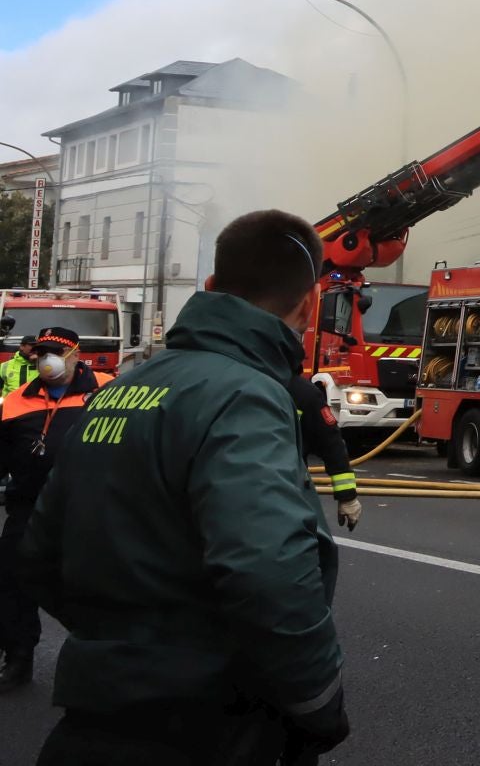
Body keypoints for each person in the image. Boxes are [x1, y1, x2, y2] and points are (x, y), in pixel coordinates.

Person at [19, 210, 350, 766]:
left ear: (213, 288)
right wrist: (318, 699)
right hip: (206, 724)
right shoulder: (246, 395)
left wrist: (122, 643)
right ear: (310, 303)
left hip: (95, 715)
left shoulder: (126, 386)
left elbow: (40, 551)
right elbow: (266, 570)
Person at [0, 328, 106, 694]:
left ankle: (97, 664)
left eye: (57, 352)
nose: (48, 360)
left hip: (89, 508)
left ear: (77, 355)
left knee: (93, 587)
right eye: (43, 352)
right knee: (13, 584)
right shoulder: (16, 401)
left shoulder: (106, 392)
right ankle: (18, 657)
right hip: (29, 507)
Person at [287, 375, 362, 531]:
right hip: (287, 492)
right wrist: (347, 497)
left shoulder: (230, 381)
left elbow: (330, 443)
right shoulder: (302, 391)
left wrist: (347, 495)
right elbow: (330, 443)